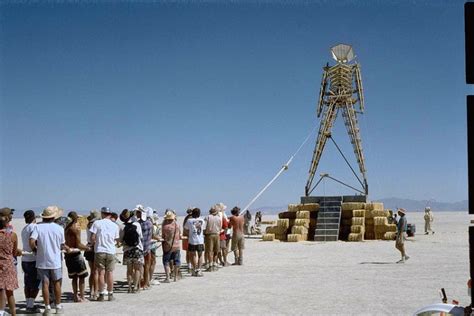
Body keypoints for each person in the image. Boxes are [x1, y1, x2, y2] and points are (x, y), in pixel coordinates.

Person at [30, 206, 69, 315]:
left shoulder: (38, 227)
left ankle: (47, 307)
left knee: (45, 284)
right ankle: (58, 306)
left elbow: (32, 241)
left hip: (42, 260)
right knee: (56, 283)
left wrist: (35, 250)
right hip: (55, 260)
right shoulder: (59, 228)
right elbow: (62, 245)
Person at [89, 207, 120, 302]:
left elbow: (92, 238)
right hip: (110, 251)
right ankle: (110, 294)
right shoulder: (115, 225)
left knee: (100, 273)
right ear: (110, 214)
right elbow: (117, 240)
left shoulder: (97, 223)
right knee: (110, 273)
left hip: (100, 250)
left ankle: (101, 294)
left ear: (102, 213)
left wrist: (94, 243)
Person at [64, 212, 89, 302]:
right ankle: (82, 296)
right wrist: (88, 248)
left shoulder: (65, 228)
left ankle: (75, 295)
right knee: (81, 276)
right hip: (75, 254)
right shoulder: (75, 228)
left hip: (67, 255)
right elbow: (78, 244)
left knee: (74, 277)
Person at [0, 208, 19, 316]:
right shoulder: (12, 235)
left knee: (1, 289)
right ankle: (12, 313)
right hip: (8, 264)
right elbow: (14, 252)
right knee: (9, 291)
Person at [119, 209, 143, 293]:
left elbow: (121, 239)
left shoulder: (122, 226)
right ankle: (135, 287)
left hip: (127, 250)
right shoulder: (137, 225)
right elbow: (140, 236)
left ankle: (129, 287)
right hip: (137, 249)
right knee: (137, 269)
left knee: (129, 270)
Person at [20, 210, 40, 313]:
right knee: (36, 283)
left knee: (27, 283)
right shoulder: (34, 227)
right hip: (33, 258)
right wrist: (36, 251)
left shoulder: (24, 229)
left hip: (25, 259)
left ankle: (28, 303)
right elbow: (32, 241)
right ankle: (30, 305)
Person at [135, 205, 153, 290]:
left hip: (140, 248)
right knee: (147, 266)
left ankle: (140, 283)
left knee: (140, 267)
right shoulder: (150, 223)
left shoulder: (139, 224)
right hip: (148, 247)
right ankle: (146, 283)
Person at [161, 210, 182, 282]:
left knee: (166, 261)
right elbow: (180, 235)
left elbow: (163, 236)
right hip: (177, 246)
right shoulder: (177, 225)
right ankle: (175, 277)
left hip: (168, 246)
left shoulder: (165, 226)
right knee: (176, 261)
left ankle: (167, 277)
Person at [84, 210, 100, 301]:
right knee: (96, 271)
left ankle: (91, 290)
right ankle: (95, 292)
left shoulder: (89, 224)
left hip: (89, 247)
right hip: (94, 247)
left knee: (92, 272)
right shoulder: (95, 224)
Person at [185, 208, 205, 277]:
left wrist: (190, 234)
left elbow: (186, 229)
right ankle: (199, 269)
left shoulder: (189, 220)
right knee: (200, 255)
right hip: (200, 240)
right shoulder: (202, 220)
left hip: (192, 240)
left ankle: (194, 269)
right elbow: (203, 229)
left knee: (193, 255)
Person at [203, 206, 221, 271]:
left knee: (210, 251)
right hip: (217, 234)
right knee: (216, 250)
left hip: (209, 235)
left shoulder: (207, 217)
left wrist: (204, 233)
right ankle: (214, 264)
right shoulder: (219, 218)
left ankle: (210, 265)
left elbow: (204, 227)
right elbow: (220, 227)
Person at [182, 208, 193, 272]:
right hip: (189, 237)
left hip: (187, 237)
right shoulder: (189, 219)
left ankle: (189, 265)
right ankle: (190, 265)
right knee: (191, 252)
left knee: (188, 252)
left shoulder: (186, 218)